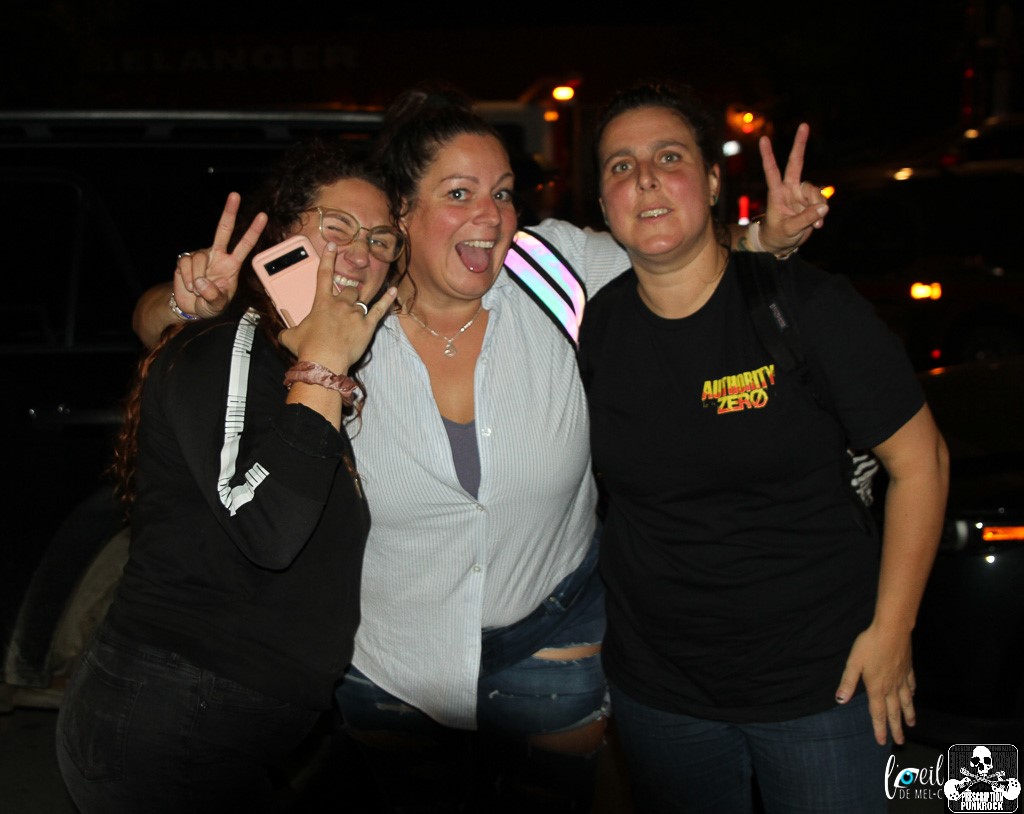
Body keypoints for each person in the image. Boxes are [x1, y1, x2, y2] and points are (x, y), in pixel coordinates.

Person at [132, 82, 829, 812]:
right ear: (402, 214)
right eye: (459, 194)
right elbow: (161, 329)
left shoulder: (553, 268)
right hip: (391, 661)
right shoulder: (335, 303)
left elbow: (681, 264)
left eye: (501, 194)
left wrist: (766, 238)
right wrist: (188, 301)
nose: (491, 217)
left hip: (552, 641)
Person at [577, 80, 950, 813]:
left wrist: (893, 630)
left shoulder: (804, 305)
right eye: (621, 165)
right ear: (602, 203)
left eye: (669, 157)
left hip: (821, 686)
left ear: (713, 182)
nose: (645, 178)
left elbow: (922, 464)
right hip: (661, 693)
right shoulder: (599, 327)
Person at [56, 138, 401, 813]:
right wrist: (324, 367)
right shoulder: (235, 343)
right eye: (337, 227)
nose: (361, 254)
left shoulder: (305, 353)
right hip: (167, 723)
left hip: (218, 727)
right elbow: (268, 527)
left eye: (382, 240)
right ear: (284, 237)